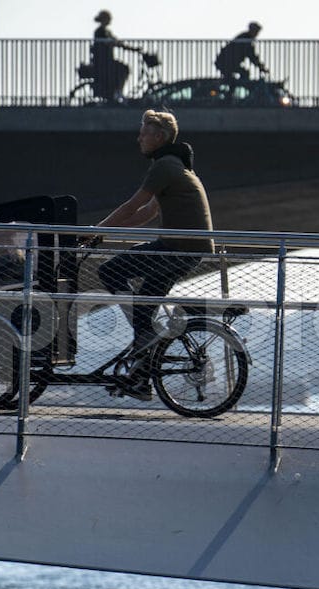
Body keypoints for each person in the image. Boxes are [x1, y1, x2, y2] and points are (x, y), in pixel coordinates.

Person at [93, 110, 215, 400]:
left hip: (177, 249)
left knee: (109, 272)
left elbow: (132, 205)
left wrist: (94, 230)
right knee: (145, 310)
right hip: (185, 250)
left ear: (159, 137)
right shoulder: (176, 166)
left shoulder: (164, 166)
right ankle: (141, 380)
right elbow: (146, 214)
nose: (139, 138)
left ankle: (147, 335)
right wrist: (105, 232)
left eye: (143, 133)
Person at [89, 9, 141, 102]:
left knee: (122, 69)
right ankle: (118, 92)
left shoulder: (106, 31)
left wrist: (133, 49)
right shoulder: (100, 31)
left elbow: (116, 42)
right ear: (104, 19)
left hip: (107, 60)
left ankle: (118, 91)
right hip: (103, 62)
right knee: (123, 69)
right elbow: (111, 42)